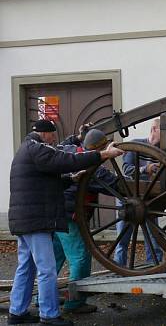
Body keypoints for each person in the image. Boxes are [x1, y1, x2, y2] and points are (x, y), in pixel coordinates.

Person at [8, 119, 123, 326]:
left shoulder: (28, 150)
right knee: (47, 269)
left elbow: (46, 182)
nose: (54, 140)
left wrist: (71, 180)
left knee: (27, 267)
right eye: (53, 136)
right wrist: (103, 154)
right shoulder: (38, 149)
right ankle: (49, 315)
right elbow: (66, 160)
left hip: (27, 220)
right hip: (36, 221)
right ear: (45, 134)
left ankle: (17, 312)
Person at [52, 129, 121, 314]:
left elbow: (64, 142)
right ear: (100, 148)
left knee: (54, 258)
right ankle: (75, 302)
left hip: (56, 213)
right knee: (80, 257)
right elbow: (118, 186)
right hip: (70, 217)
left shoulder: (71, 151)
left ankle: (43, 295)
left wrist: (78, 136)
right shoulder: (94, 169)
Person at [114, 118, 163, 266]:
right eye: (164, 131)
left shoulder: (162, 150)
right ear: (154, 129)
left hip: (148, 197)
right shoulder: (136, 145)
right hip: (128, 197)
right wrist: (145, 169)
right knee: (123, 236)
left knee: (153, 235)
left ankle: (154, 264)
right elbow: (127, 170)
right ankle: (119, 266)